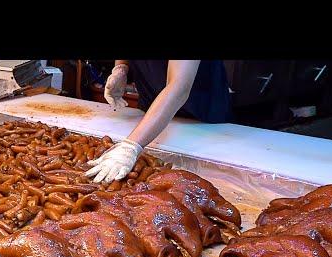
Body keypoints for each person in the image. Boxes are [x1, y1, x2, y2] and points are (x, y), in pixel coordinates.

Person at [85, 60, 232, 183]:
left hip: (199, 116)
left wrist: (130, 146)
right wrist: (121, 68)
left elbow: (179, 86)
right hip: (152, 106)